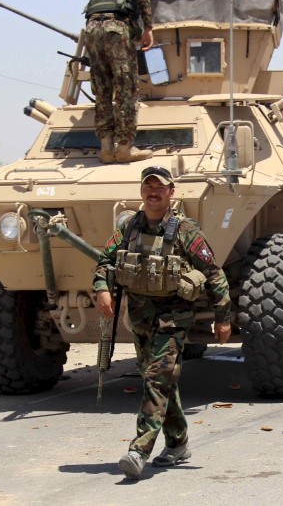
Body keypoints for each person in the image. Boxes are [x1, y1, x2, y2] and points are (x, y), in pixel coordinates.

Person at [93, 165, 232, 480]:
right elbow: (105, 262)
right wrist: (102, 290)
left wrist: (223, 318)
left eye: (159, 187)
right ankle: (178, 443)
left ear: (171, 192)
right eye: (148, 187)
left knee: (157, 379)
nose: (152, 192)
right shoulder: (129, 227)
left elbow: (213, 273)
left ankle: (139, 450)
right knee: (160, 381)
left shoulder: (185, 231)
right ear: (142, 191)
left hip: (173, 319)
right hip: (140, 319)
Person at [84, 0, 155, 164]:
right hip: (116, 28)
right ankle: (124, 148)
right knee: (126, 88)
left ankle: (106, 148)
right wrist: (148, 28)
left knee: (102, 89)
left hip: (92, 30)